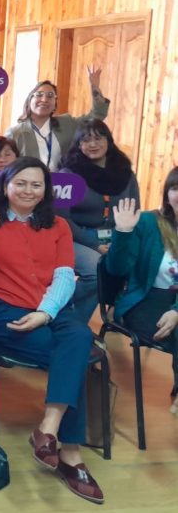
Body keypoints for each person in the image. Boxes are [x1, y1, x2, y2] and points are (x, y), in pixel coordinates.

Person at [0, 157, 103, 504]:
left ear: (46, 190)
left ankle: (48, 430)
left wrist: (45, 313)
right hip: (2, 310)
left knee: (78, 338)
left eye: (36, 185)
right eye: (20, 183)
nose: (28, 190)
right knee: (76, 351)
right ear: (6, 185)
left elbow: (65, 275)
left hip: (49, 309)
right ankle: (71, 456)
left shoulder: (58, 226)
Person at [106, 169, 178, 412]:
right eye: (176, 188)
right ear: (167, 195)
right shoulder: (148, 222)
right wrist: (123, 233)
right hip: (144, 300)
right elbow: (116, 268)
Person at [59, 119, 140, 323]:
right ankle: (68, 316)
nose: (93, 144)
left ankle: (127, 316)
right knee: (97, 270)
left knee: (145, 262)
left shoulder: (125, 173)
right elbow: (63, 219)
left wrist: (122, 240)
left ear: (109, 141)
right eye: (86, 140)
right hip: (77, 236)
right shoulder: (68, 174)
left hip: (117, 234)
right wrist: (95, 245)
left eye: (98, 138)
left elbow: (135, 211)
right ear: (78, 145)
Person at [6, 66, 109, 171]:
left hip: (63, 184)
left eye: (50, 96)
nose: (44, 99)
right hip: (30, 185)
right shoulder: (15, 133)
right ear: (29, 100)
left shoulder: (67, 123)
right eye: (39, 95)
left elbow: (97, 115)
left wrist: (95, 88)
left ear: (55, 104)